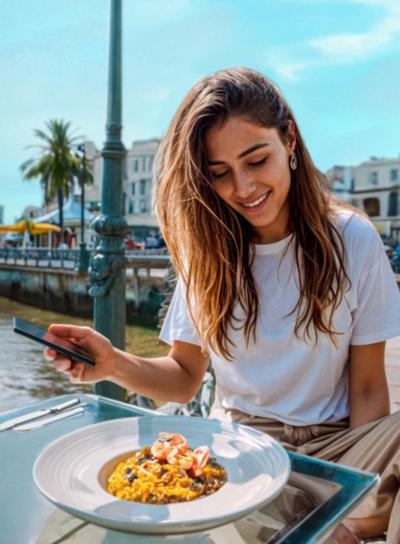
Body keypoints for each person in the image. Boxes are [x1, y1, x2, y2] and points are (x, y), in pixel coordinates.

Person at [45, 68, 400, 543]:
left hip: (340, 443)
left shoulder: (352, 239)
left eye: (256, 160)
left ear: (289, 140)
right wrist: (111, 363)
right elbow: (183, 378)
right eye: (220, 174)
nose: (244, 188)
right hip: (247, 449)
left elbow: (369, 390)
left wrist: (354, 494)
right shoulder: (207, 255)